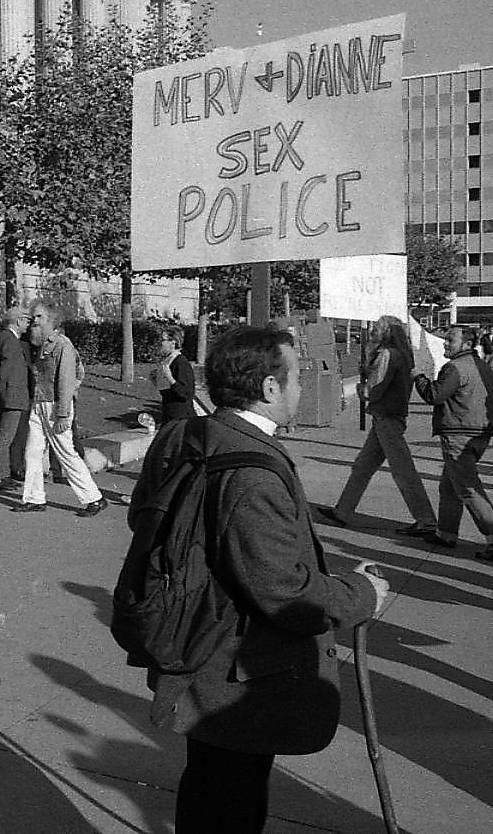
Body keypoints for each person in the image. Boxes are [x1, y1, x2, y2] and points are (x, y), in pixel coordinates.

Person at [132, 324, 388, 834]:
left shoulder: (190, 434)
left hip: (199, 649)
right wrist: (361, 595)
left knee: (210, 787)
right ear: (270, 389)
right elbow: (283, 589)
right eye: (296, 379)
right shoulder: (253, 471)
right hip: (232, 671)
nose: (301, 388)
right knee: (230, 801)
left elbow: (144, 517)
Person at [318, 315, 436, 537]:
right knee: (363, 466)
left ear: (385, 333)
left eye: (377, 329)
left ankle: (426, 520)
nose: (373, 332)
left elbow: (374, 390)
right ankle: (343, 510)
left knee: (402, 471)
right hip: (391, 415)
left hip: (386, 417)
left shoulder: (387, 355)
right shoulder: (404, 355)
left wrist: (361, 388)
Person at [408, 324, 493, 559]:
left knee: (468, 488)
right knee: (449, 485)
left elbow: (434, 395)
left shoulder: (454, 368)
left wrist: (419, 377)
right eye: (446, 339)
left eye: (450, 340)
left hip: (459, 433)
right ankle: (446, 533)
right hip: (477, 434)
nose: (445, 343)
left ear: (466, 344)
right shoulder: (482, 366)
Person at [13, 303, 105, 516]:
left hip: (55, 406)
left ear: (51, 320)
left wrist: (64, 412)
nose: (34, 321)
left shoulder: (62, 345)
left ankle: (94, 498)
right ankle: (34, 498)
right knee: (32, 452)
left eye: (39, 317)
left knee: (66, 453)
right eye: (33, 316)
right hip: (39, 404)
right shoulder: (43, 344)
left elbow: (68, 378)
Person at [0, 306, 31, 492]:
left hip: (1, 396)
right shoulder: (11, 341)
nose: (28, 325)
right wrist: (7, 397)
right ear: (18, 321)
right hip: (11, 397)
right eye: (26, 320)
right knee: (5, 437)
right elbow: (6, 374)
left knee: (3, 436)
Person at [150, 324, 197, 424]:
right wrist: (156, 380)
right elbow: (168, 393)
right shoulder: (169, 361)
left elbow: (186, 393)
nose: (161, 343)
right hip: (169, 415)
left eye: (163, 340)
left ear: (173, 342)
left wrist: (170, 378)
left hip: (182, 419)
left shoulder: (181, 362)